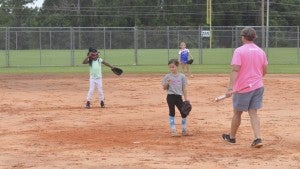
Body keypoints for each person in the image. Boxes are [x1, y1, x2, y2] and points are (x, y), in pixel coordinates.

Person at [221, 27, 268, 148]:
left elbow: (235, 70)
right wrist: (256, 79)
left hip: (242, 88)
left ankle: (231, 137)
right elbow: (265, 70)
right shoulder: (261, 51)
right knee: (253, 113)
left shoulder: (239, 51)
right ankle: (258, 138)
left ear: (243, 37)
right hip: (258, 86)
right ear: (254, 37)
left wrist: (230, 88)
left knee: (237, 113)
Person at [162, 59, 189, 136]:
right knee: (172, 112)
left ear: (177, 66)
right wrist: (167, 83)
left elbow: (184, 88)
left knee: (184, 112)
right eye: (170, 67)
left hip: (179, 97)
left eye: (173, 67)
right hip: (170, 97)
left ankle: (184, 131)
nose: (171, 69)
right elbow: (164, 88)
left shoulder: (182, 76)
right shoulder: (167, 76)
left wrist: (186, 98)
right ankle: (173, 131)